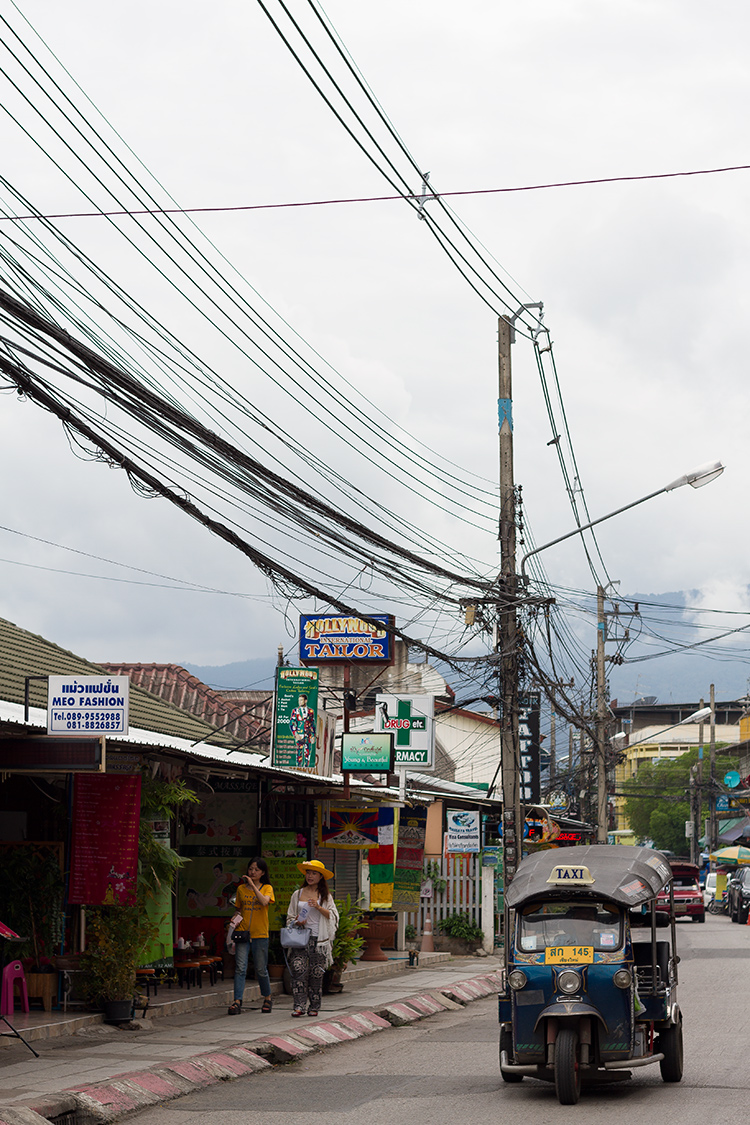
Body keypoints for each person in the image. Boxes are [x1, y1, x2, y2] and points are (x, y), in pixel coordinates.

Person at [286, 859, 339, 1017]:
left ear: (321, 876)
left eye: (314, 873)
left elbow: (333, 916)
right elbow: (290, 917)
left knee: (316, 973)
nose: (310, 876)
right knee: (298, 970)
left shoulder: (326, 896)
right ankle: (299, 1006)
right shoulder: (297, 894)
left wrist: (318, 907)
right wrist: (297, 921)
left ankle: (314, 1006)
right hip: (300, 938)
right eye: (308, 873)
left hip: (319, 940)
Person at [226, 857, 275, 1015]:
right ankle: (237, 1001)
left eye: (256, 870)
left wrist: (253, 886)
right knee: (240, 968)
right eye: (250, 869)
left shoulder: (267, 888)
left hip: (260, 933)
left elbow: (264, 902)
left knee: (261, 969)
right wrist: (235, 918)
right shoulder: (241, 889)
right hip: (243, 933)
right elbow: (239, 909)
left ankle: (267, 997)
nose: (252, 872)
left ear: (262, 873)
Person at [290, 693, 316, 768]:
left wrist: (313, 735)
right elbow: (291, 723)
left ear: (305, 701)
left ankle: (306, 768)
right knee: (299, 753)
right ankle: (299, 767)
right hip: (300, 735)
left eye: (301, 700)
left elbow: (312, 724)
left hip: (308, 736)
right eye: (299, 700)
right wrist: (295, 734)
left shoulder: (311, 711)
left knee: (308, 753)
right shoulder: (295, 711)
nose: (300, 702)